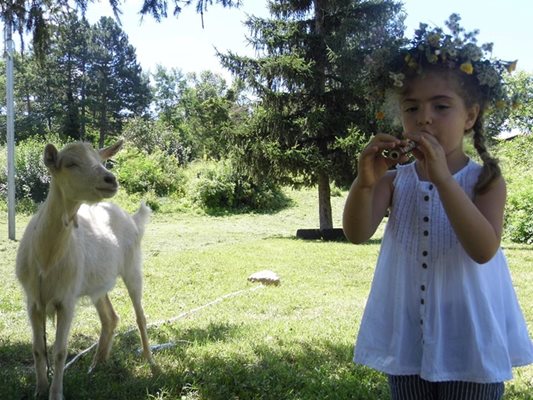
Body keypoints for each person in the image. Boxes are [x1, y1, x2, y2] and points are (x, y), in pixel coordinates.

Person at [342, 15, 533, 400]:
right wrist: (365, 182)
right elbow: (356, 232)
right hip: (409, 338)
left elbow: (483, 250)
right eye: (411, 109)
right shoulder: (396, 180)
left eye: (441, 106)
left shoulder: (486, 180)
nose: (424, 117)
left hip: (469, 342)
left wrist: (443, 179)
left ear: (470, 116)